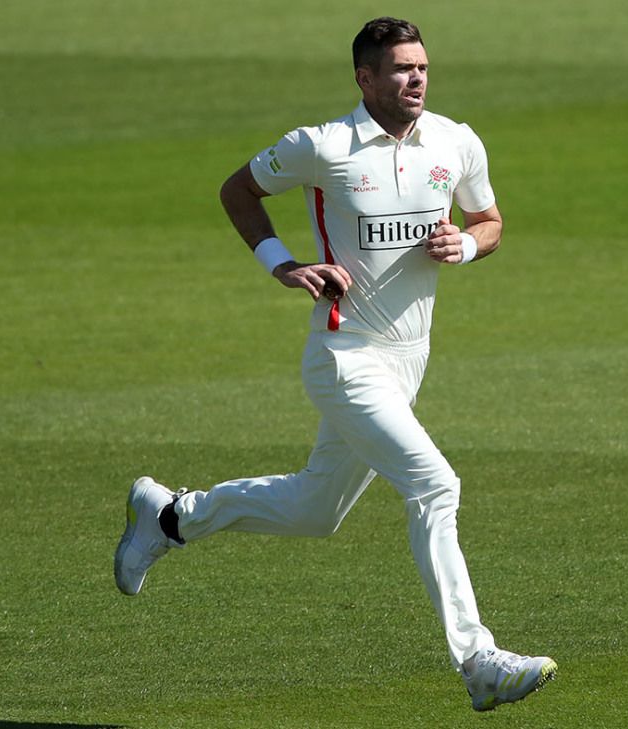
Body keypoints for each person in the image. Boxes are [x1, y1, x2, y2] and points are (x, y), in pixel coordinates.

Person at [113, 16, 556, 712]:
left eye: (423, 67)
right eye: (402, 68)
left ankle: (169, 517)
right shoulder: (323, 147)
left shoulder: (455, 140)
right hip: (344, 356)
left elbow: (491, 221)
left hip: (410, 362)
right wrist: (282, 264)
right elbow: (238, 191)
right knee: (435, 485)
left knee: (316, 509)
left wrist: (464, 246)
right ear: (366, 78)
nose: (416, 78)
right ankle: (478, 660)